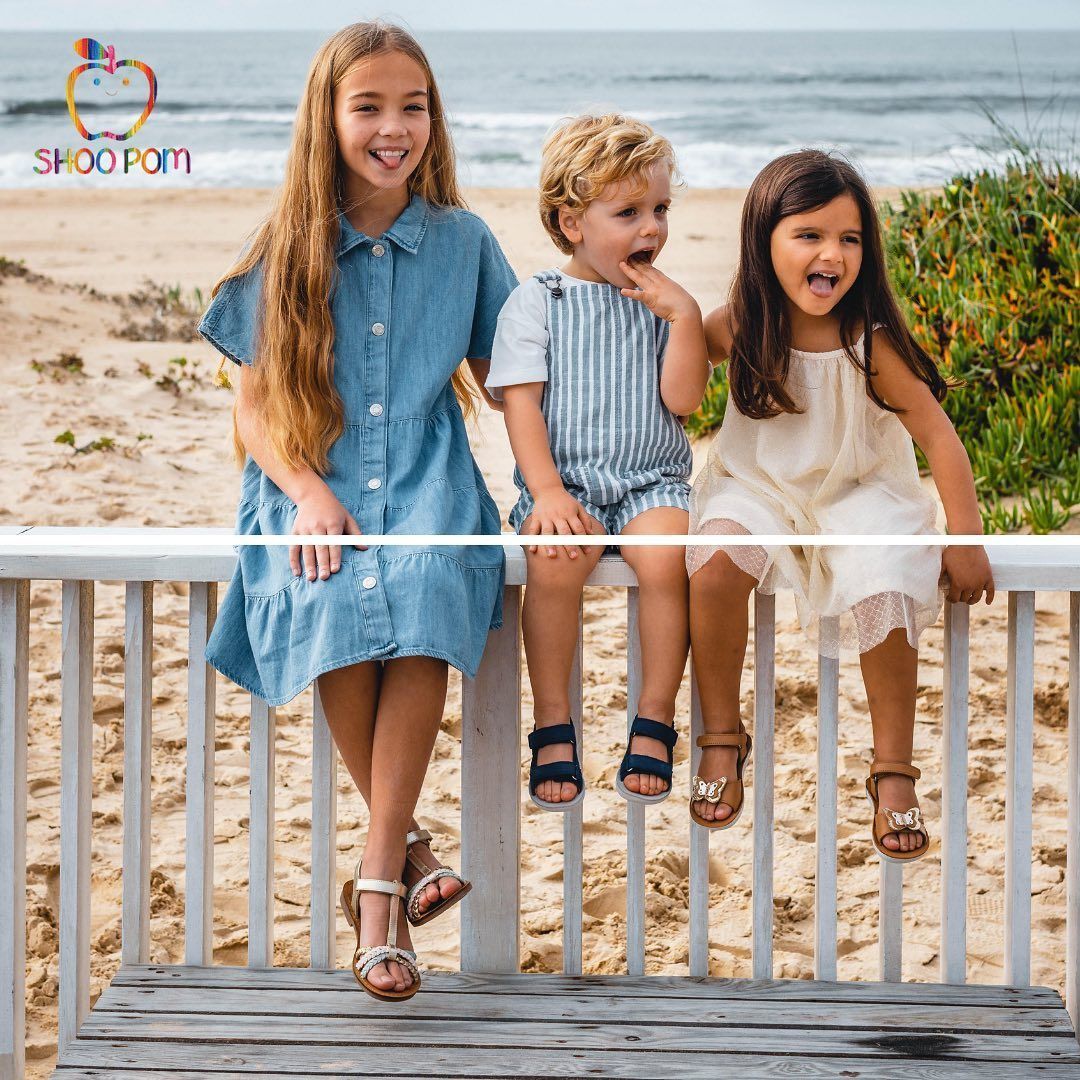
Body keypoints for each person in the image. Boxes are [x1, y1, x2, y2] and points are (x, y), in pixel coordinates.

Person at [197, 22, 516, 999]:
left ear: (435, 118)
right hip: (310, 477)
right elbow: (253, 408)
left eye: (412, 106)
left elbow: (511, 387)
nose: (394, 126)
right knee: (332, 594)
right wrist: (306, 495)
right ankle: (406, 859)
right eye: (368, 106)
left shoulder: (464, 242)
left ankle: (375, 889)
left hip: (427, 478)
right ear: (326, 119)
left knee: (424, 586)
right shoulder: (290, 247)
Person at [687, 150, 994, 861]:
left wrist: (965, 537)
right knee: (715, 561)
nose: (833, 254)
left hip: (861, 494)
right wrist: (672, 311)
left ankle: (892, 770)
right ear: (764, 240)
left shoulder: (870, 342)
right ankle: (722, 739)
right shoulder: (735, 325)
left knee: (885, 576)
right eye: (810, 235)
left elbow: (940, 441)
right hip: (756, 487)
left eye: (850, 239)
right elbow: (672, 386)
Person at [486, 114, 711, 812]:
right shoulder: (536, 302)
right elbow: (521, 405)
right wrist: (547, 492)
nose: (651, 229)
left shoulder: (661, 304)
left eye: (660, 210)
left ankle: (655, 715)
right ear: (572, 221)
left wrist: (686, 318)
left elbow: (683, 399)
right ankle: (553, 720)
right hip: (568, 483)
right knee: (555, 562)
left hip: (651, 479)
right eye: (629, 213)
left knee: (668, 556)